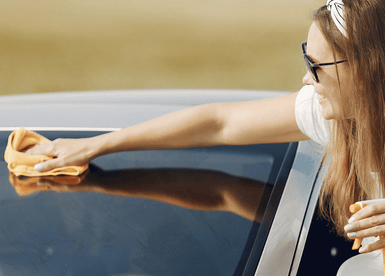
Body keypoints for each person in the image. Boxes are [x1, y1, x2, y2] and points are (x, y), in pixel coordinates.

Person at [26, 0, 385, 254]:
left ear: (368, 70)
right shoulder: (339, 117)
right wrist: (95, 146)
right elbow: (218, 123)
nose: (306, 79)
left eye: (317, 65)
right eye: (305, 56)